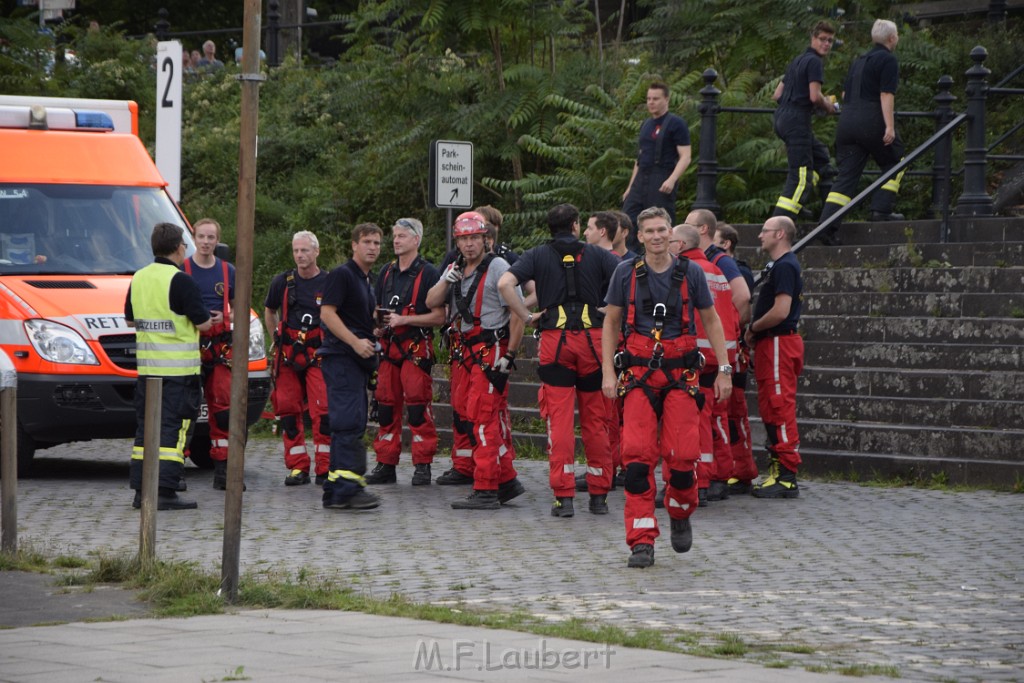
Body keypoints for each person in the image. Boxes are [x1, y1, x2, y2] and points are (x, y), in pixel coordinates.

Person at [601, 207, 732, 568]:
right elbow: (611, 322)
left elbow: (712, 320)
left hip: (680, 376)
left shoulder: (690, 273)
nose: (656, 236)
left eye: (662, 230)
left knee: (681, 460)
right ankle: (641, 541)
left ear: (671, 234)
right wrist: (607, 374)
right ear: (639, 236)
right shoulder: (624, 273)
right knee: (638, 461)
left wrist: (724, 370)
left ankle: (679, 510)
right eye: (650, 231)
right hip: (638, 375)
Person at [499, 204, 620, 517]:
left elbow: (504, 284)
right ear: (577, 226)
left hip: (556, 344)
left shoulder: (537, 255)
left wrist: (526, 316)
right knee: (597, 422)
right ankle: (598, 496)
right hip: (593, 344)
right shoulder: (598, 254)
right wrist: (610, 310)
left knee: (560, 421)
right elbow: (628, 277)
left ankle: (564, 497)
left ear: (550, 227)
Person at [426, 211, 526, 510]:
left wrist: (509, 356)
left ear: (486, 239)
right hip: (465, 354)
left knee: (484, 418)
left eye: (474, 238)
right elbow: (432, 302)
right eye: (464, 239)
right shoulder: (456, 268)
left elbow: (519, 314)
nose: (469, 245)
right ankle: (506, 480)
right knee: (473, 415)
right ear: (457, 241)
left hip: (489, 353)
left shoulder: (498, 268)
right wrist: (447, 280)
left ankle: (486, 487)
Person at [125, 223, 215, 510]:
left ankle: (142, 490)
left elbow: (129, 319)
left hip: (148, 371)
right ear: (179, 247)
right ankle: (164, 491)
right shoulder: (181, 280)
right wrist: (210, 320)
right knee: (171, 433)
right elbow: (202, 322)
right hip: (178, 374)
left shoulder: (139, 277)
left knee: (145, 432)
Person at [364, 218, 444, 486]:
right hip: (388, 350)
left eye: (401, 236)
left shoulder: (430, 273)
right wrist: (376, 327)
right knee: (385, 408)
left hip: (415, 349)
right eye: (394, 236)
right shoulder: (386, 272)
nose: (396, 241)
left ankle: (423, 465)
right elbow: (376, 309)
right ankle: (386, 463)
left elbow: (439, 317)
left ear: (416, 240)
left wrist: (405, 320)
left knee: (419, 408)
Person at [818, 19, 905, 245]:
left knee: (846, 177)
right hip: (871, 121)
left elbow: (846, 95)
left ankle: (827, 227)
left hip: (847, 123)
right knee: (898, 159)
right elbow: (886, 95)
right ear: (892, 38)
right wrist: (889, 126)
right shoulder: (887, 60)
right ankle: (881, 209)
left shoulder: (858, 61)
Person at [670, 224, 738, 505]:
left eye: (672, 240)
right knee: (716, 419)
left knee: (694, 421)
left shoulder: (685, 271)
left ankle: (701, 479)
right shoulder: (716, 270)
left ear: (682, 245)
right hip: (720, 356)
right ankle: (720, 476)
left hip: (695, 355)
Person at [318, 223, 384, 510]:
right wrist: (356, 342)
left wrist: (374, 330)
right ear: (354, 245)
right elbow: (327, 313)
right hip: (342, 358)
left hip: (355, 361)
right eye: (367, 242)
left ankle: (335, 488)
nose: (372, 247)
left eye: (377, 243)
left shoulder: (365, 281)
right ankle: (349, 488)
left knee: (348, 422)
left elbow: (354, 317)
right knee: (349, 423)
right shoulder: (343, 275)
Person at [744, 216, 804, 499]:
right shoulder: (779, 266)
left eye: (765, 231)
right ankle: (779, 469)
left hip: (779, 341)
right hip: (772, 344)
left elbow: (781, 310)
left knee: (779, 406)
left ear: (779, 234)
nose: (760, 236)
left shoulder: (786, 266)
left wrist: (754, 327)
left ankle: (787, 475)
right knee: (771, 405)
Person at [264, 231, 330, 487]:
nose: (300, 256)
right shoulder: (282, 282)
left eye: (305, 250)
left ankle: (325, 468)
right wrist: (276, 339)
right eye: (296, 251)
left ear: (316, 252)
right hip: (288, 356)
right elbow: (270, 311)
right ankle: (297, 467)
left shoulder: (329, 282)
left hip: (318, 356)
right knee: (288, 412)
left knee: (323, 412)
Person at [183, 218, 236, 490]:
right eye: (201, 236)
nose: (206, 242)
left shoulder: (228, 271)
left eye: (211, 237)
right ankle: (175, 468)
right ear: (194, 237)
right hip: (188, 346)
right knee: (185, 408)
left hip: (219, 348)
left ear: (218, 241)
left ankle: (224, 470)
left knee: (223, 410)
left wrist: (225, 316)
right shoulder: (183, 269)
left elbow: (239, 307)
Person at [771, 20, 838, 222]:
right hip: (797, 121)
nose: (826, 44)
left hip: (782, 118)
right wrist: (830, 107)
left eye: (830, 41)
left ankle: (818, 214)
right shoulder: (815, 62)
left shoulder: (797, 60)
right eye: (823, 39)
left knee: (822, 160)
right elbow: (814, 96)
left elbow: (776, 94)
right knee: (801, 176)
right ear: (813, 38)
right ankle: (777, 224)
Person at [713, 223, 758, 493]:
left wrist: (732, 331)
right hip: (729, 348)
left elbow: (741, 302)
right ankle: (735, 467)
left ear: (726, 243)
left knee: (735, 412)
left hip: (733, 350)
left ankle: (740, 469)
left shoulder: (735, 270)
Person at [622, 82, 692, 251]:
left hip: (661, 176)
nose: (651, 102)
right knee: (628, 219)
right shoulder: (646, 124)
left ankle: (664, 256)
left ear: (666, 99)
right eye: (648, 99)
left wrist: (672, 179)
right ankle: (632, 258)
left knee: (659, 219)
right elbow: (639, 159)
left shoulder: (676, 124)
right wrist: (630, 187)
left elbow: (685, 156)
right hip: (641, 178)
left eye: (655, 98)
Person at [685, 209, 751, 327]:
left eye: (688, 226)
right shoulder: (704, 258)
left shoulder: (723, 261)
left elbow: (743, 295)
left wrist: (725, 323)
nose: (685, 230)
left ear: (703, 228)